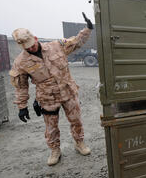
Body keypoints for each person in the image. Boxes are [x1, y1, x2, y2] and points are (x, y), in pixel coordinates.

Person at [9, 13, 94, 166]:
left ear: (35, 38)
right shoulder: (21, 62)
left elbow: (76, 42)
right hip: (48, 98)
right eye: (27, 47)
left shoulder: (56, 46)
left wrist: (87, 29)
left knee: (76, 121)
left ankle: (79, 143)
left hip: (68, 92)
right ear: (22, 46)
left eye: (32, 44)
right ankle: (55, 150)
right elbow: (21, 86)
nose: (32, 48)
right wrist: (22, 107)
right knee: (51, 127)